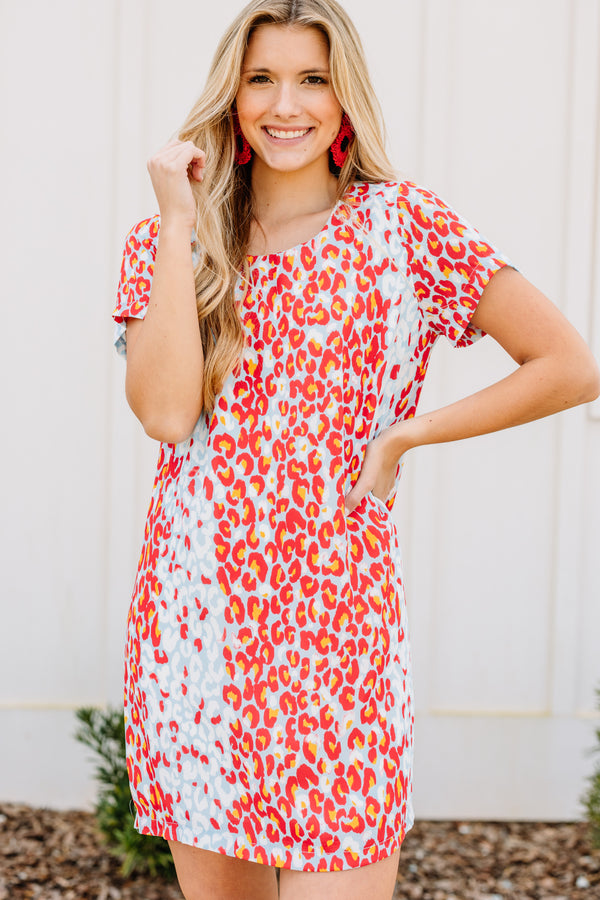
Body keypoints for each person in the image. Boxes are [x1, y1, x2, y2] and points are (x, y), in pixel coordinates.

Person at [112, 1, 600, 898]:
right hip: (196, 623)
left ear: (344, 99)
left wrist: (407, 433)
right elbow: (167, 415)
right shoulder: (170, 242)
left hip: (338, 635)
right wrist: (179, 224)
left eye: (312, 78)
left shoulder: (404, 226)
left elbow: (568, 365)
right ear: (232, 95)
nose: (285, 103)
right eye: (262, 78)